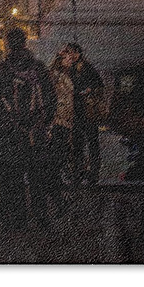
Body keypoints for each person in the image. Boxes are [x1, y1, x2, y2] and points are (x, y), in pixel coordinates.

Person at [0, 27, 56, 231]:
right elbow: (51, 98)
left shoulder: (1, 70)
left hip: (10, 134)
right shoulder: (39, 68)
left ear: (8, 44)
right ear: (25, 43)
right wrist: (45, 123)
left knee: (13, 179)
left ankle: (18, 219)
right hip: (35, 132)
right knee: (37, 178)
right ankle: (41, 217)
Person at [66, 43, 104, 185]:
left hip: (86, 110)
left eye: (72, 52)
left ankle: (91, 172)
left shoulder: (86, 68)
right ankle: (79, 171)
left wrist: (88, 90)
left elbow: (98, 85)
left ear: (78, 53)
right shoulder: (70, 68)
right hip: (76, 110)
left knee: (90, 141)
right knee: (78, 143)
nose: (70, 55)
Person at [48, 48, 74, 211]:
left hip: (65, 123)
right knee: (56, 162)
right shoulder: (56, 76)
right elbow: (54, 100)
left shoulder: (66, 75)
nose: (71, 61)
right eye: (68, 59)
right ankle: (57, 198)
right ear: (60, 60)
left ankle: (57, 196)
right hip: (58, 123)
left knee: (58, 162)